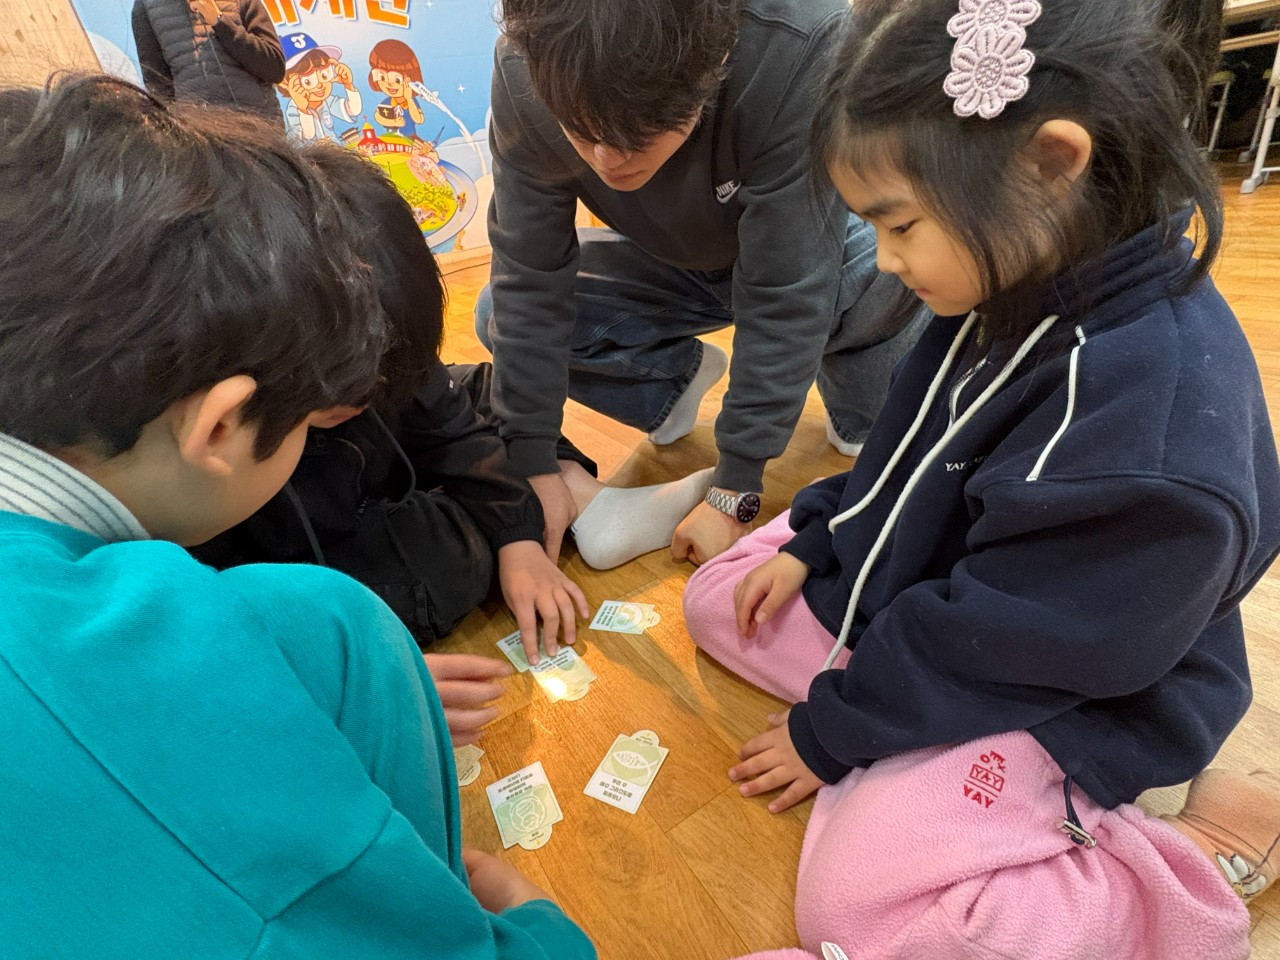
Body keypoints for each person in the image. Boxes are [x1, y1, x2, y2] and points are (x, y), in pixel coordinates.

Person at [683, 1, 1280, 958]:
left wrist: (835, 733)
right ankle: (907, 744)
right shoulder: (1012, 265)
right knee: (720, 604)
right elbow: (911, 444)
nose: (885, 261)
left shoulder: (1150, 435)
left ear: (1048, 165)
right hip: (967, 602)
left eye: (899, 224)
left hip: (1072, 692)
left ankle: (1207, 853)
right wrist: (821, 534)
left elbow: (1010, 645)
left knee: (863, 906)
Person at [0, 75, 594, 959]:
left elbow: (454, 432)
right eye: (323, 405)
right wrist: (544, 937)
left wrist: (515, 533)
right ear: (220, 426)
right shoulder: (304, 631)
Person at [475, 0, 930, 569]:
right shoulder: (525, 60)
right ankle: (676, 381)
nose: (607, 159)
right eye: (580, 132)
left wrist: (735, 485)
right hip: (673, 262)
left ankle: (853, 377)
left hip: (817, 250)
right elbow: (529, 275)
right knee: (494, 311)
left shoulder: (798, 43)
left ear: (716, 60)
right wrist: (532, 458)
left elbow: (786, 287)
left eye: (638, 136)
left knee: (875, 425)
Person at [195, 146, 589, 668]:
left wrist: (519, 539)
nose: (365, 395)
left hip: (376, 472)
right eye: (350, 382)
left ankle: (575, 491)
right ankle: (547, 500)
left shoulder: (379, 353)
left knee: (492, 390)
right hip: (307, 548)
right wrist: (350, 676)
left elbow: (453, 425)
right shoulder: (231, 430)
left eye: (388, 371)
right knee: (445, 563)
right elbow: (218, 603)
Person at [132, 0, 286, 130]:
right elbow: (159, 89)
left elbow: (275, 69)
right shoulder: (146, 6)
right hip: (201, 142)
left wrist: (220, 21)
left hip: (261, 133)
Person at [277, 32, 362, 143]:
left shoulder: (327, 101)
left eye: (324, 75)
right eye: (308, 81)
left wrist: (348, 85)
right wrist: (302, 109)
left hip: (335, 151)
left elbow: (353, 110)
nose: (320, 85)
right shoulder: (293, 109)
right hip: (311, 154)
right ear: (285, 83)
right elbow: (307, 136)